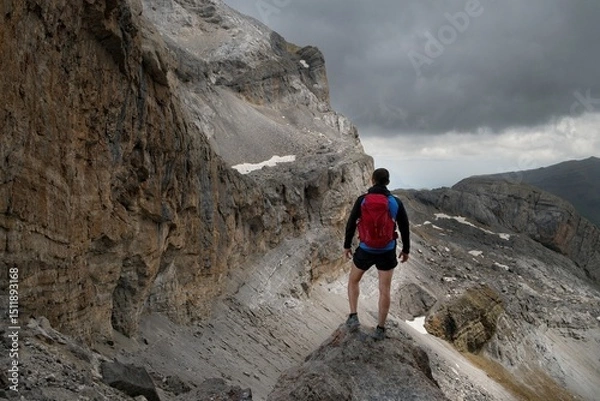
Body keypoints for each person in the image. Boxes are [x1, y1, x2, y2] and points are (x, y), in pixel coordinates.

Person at [343, 168, 410, 340]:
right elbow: (404, 227)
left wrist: (347, 246)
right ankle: (380, 328)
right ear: (387, 182)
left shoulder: (363, 200)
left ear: (372, 180)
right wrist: (406, 249)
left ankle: (353, 316)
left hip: (365, 249)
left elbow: (351, 223)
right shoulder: (395, 202)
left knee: (353, 280)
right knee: (384, 290)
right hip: (387, 251)